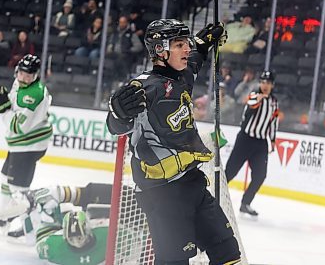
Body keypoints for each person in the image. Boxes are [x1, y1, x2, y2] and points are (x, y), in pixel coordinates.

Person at [106, 19, 241, 265]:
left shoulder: (181, 77)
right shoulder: (142, 88)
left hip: (193, 185)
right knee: (174, 261)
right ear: (160, 50)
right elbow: (118, 128)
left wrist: (204, 41)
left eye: (186, 43)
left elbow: (196, 58)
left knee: (228, 253)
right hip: (161, 194)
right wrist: (117, 114)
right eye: (179, 44)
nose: (186, 49)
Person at [0, 54, 53, 236]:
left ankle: (30, 229)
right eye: (21, 74)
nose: (24, 78)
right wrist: (0, 94)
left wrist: (1, 106)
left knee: (20, 191)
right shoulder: (21, 83)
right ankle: (2, 219)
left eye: (29, 76)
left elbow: (17, 127)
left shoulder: (33, 94)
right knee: (5, 178)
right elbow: (13, 104)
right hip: (20, 145)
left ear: (35, 75)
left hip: (29, 146)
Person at [225, 71, 279, 217]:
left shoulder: (274, 102)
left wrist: (272, 140)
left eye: (268, 82)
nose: (265, 85)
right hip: (245, 139)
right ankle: (213, 197)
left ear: (272, 85)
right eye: (263, 82)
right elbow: (251, 104)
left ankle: (245, 203)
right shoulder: (255, 95)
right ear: (259, 83)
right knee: (230, 171)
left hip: (260, 143)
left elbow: (273, 122)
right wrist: (260, 98)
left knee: (260, 175)